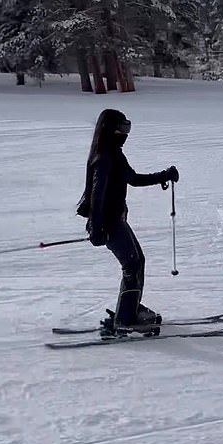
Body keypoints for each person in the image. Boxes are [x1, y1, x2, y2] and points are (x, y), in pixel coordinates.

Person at [77, 108, 179, 333]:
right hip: (108, 223)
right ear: (110, 130)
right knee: (132, 265)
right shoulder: (104, 157)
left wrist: (164, 175)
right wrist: (96, 226)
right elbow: (97, 193)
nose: (125, 134)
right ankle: (125, 319)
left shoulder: (114, 154)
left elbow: (132, 179)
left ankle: (128, 309)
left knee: (137, 261)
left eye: (127, 128)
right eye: (122, 128)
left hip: (116, 220)